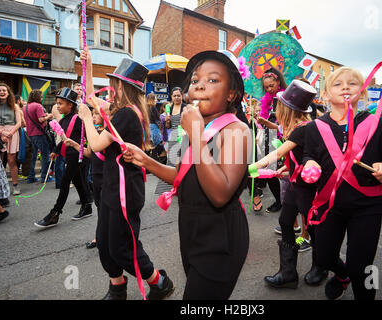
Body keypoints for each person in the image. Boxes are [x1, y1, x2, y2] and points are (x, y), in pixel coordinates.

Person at [123, 50, 251, 300]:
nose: (200, 86)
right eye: (195, 81)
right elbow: (182, 177)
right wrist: (146, 160)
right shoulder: (200, 129)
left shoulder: (237, 130)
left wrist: (195, 131)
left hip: (220, 236)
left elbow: (220, 193)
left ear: (231, 94)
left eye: (213, 80)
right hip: (191, 228)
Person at [78, 48, 174, 300]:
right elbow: (91, 98)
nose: (110, 89)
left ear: (123, 86)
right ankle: (117, 288)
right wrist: (87, 64)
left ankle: (159, 281)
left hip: (124, 189)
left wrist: (87, 119)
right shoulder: (123, 110)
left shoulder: (126, 114)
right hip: (112, 185)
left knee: (122, 247)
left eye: (114, 84)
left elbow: (97, 144)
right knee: (104, 240)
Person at [303, 67, 382, 300]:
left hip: (367, 205)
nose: (346, 88)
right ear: (326, 94)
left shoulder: (381, 125)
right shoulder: (314, 128)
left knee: (363, 266)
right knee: (324, 258)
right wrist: (310, 164)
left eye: (352, 84)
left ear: (363, 92)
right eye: (338, 84)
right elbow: (309, 155)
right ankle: (341, 276)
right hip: (329, 204)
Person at [254, 79, 328, 289]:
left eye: (279, 106)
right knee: (287, 222)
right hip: (297, 185)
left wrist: (253, 166)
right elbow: (299, 155)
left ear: (287, 108)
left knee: (313, 228)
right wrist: (288, 169)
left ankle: (320, 266)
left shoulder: (302, 128)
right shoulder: (299, 127)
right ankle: (288, 273)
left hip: (307, 189)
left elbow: (278, 153)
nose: (276, 109)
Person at [34, 88, 93, 228]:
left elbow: (88, 135)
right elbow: (63, 139)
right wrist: (55, 150)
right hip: (70, 155)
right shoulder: (63, 120)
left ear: (70, 105)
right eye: (57, 103)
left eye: (61, 103)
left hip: (78, 156)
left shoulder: (78, 119)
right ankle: (87, 206)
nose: (57, 106)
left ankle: (55, 213)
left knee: (65, 182)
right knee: (77, 180)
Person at [65, 107, 105, 250]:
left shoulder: (106, 133)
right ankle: (101, 236)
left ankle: (103, 237)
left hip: (107, 176)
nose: (93, 117)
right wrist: (75, 144)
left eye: (96, 114)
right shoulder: (93, 132)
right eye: (92, 114)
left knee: (106, 209)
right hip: (96, 176)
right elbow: (89, 152)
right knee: (100, 207)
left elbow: (98, 147)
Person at [258, 68, 287, 213]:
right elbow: (264, 122)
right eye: (266, 87)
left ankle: (284, 203)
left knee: (281, 174)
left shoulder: (286, 98)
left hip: (282, 141)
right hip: (268, 140)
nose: (269, 89)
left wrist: (272, 125)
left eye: (272, 86)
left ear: (278, 82)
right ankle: (279, 200)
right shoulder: (266, 101)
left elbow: (289, 125)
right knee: (268, 173)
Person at [23, 89, 54, 184]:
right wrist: (49, 116)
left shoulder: (25, 107)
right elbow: (41, 120)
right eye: (41, 96)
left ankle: (31, 177)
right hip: (39, 134)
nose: (42, 98)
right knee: (45, 156)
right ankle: (45, 177)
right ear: (37, 97)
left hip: (30, 134)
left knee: (34, 156)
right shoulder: (38, 106)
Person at [0, 83, 22, 195]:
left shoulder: (15, 106)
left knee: (11, 160)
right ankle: (1, 186)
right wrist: (2, 132)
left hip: (12, 133)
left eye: (4, 90)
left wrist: (9, 133)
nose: (1, 92)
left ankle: (15, 186)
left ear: (8, 93)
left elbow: (19, 123)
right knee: (0, 160)